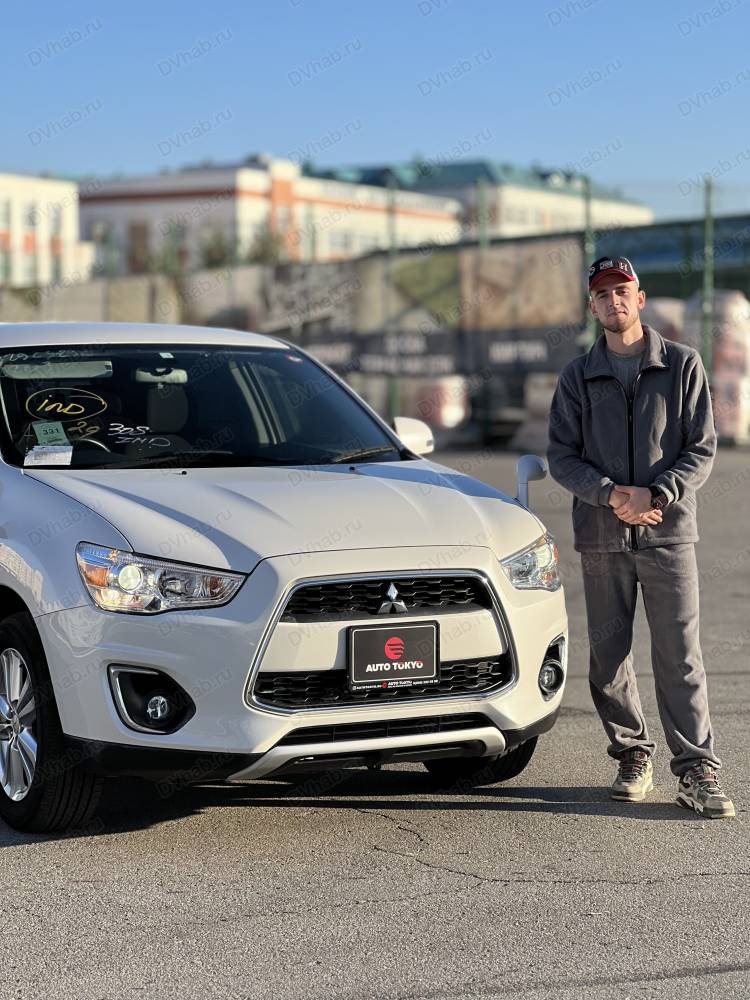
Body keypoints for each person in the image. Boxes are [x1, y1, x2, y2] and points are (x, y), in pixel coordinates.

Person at [547, 255, 734, 819]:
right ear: (592, 306)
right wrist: (610, 495)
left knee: (680, 656)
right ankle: (632, 754)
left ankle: (696, 768)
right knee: (608, 657)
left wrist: (657, 494)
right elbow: (562, 456)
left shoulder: (682, 365)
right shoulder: (577, 377)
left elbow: (701, 447)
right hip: (602, 538)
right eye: (603, 294)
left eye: (622, 291)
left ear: (640, 297)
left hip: (668, 535)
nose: (614, 301)